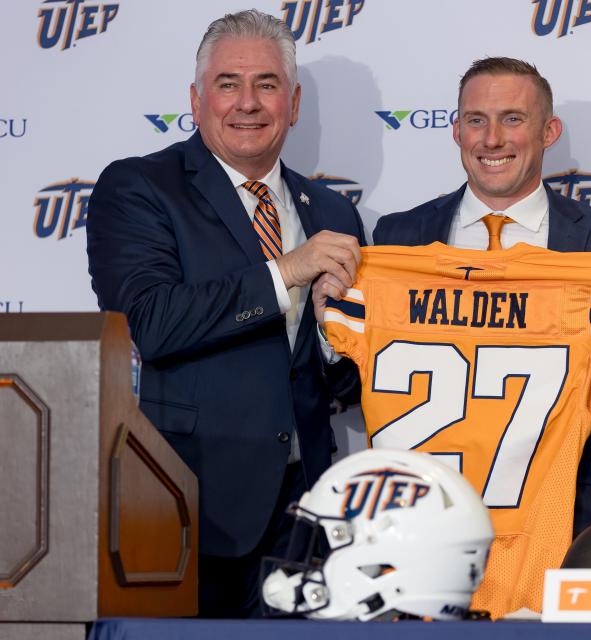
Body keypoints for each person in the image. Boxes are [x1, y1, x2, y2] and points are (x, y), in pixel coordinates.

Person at [86, 9, 363, 618]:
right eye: (227, 84)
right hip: (184, 507)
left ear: (292, 104)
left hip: (306, 516)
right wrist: (285, 271)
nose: (248, 103)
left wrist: (337, 341)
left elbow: (341, 380)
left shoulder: (334, 215)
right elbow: (150, 323)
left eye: (266, 85)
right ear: (195, 98)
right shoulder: (140, 188)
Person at [362, 57, 591, 538]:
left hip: (560, 520)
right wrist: (328, 326)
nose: (492, 139)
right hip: (418, 523)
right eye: (476, 120)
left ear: (549, 131)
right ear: (455, 130)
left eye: (513, 119)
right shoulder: (398, 239)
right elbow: (347, 387)